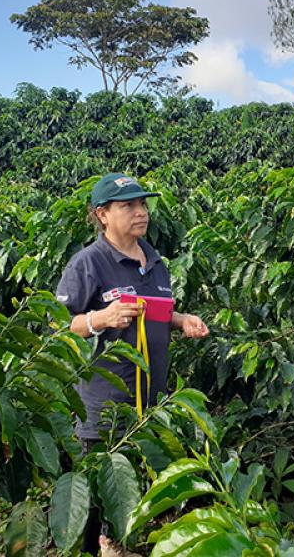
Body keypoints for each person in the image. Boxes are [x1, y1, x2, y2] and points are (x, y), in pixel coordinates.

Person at [56, 173, 209, 443]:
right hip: (107, 416)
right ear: (102, 215)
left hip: (153, 410)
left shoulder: (155, 260)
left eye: (142, 204)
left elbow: (150, 310)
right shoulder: (87, 263)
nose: (140, 213)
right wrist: (102, 318)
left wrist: (180, 319)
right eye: (128, 206)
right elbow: (58, 330)